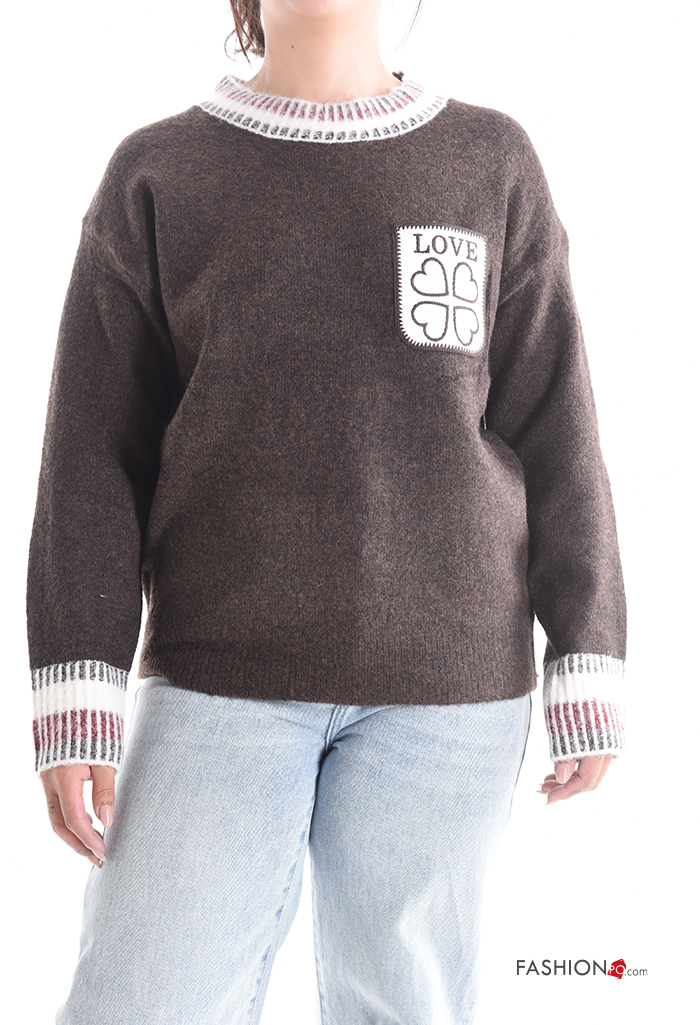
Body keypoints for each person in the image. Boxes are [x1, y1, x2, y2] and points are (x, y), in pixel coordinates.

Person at [26, 0, 627, 1022]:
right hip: (218, 677)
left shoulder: (490, 161)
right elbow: (90, 454)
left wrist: (590, 646)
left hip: (449, 695)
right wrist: (76, 678)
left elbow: (555, 422)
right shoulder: (157, 175)